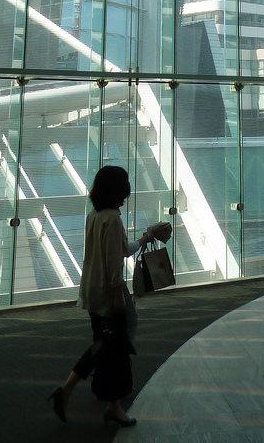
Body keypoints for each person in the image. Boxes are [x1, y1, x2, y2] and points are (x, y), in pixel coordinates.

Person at [47, 165, 171, 427]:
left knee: (104, 342)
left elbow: (117, 249)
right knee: (114, 342)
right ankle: (82, 393)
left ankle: (100, 399)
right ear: (119, 189)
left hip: (91, 286)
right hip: (108, 289)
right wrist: (117, 294)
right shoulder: (112, 219)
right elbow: (115, 259)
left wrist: (143, 239)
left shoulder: (95, 215)